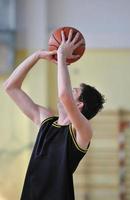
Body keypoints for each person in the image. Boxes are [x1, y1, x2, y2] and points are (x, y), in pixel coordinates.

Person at [3, 29, 105, 200]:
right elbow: (10, 87)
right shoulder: (46, 121)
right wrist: (36, 56)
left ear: (79, 105)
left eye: (74, 91)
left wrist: (62, 57)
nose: (67, 93)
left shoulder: (82, 131)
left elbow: (64, 96)